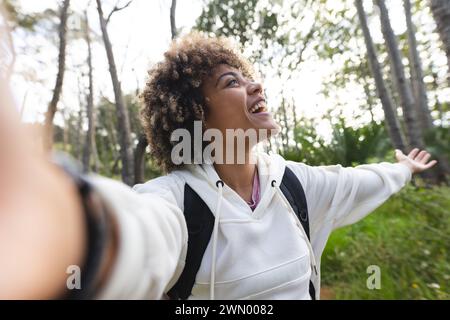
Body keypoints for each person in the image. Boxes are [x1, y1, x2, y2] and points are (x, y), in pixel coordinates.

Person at [0, 14, 437, 299]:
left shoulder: (295, 184)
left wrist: (402, 168)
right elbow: (142, 233)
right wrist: (66, 226)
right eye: (232, 82)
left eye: (250, 77)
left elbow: (363, 180)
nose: (255, 86)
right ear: (196, 116)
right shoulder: (176, 203)